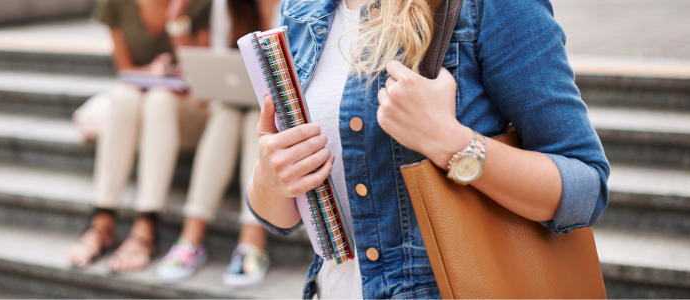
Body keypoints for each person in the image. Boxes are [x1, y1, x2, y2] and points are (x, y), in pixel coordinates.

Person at [246, 0, 611, 298]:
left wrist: (451, 142)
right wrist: (269, 179)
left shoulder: (487, 7)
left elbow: (585, 187)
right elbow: (283, 218)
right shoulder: (300, 9)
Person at [67, 0, 212, 272]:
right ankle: (103, 218)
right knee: (123, 96)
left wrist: (177, 18)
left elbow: (199, 74)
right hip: (140, 101)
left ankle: (148, 221)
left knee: (158, 99)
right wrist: (152, 72)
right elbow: (124, 69)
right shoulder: (116, 4)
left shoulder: (197, 4)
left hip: (188, 110)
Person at [155, 0, 281, 289]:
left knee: (256, 118)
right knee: (228, 112)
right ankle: (191, 238)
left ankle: (253, 240)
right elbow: (220, 66)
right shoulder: (228, 4)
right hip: (233, 104)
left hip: (283, 109)